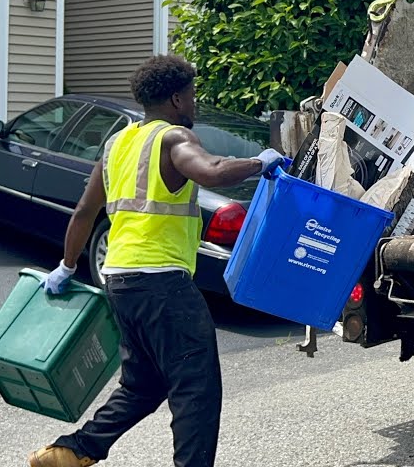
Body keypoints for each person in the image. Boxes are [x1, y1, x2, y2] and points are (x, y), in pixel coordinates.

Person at [28, 55, 285, 467]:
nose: (194, 103)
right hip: (162, 284)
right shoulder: (174, 138)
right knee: (196, 389)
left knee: (142, 385)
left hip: (119, 280)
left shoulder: (116, 145)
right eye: (192, 95)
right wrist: (260, 162)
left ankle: (72, 451)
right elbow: (213, 171)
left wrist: (67, 266)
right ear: (176, 99)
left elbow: (84, 212)